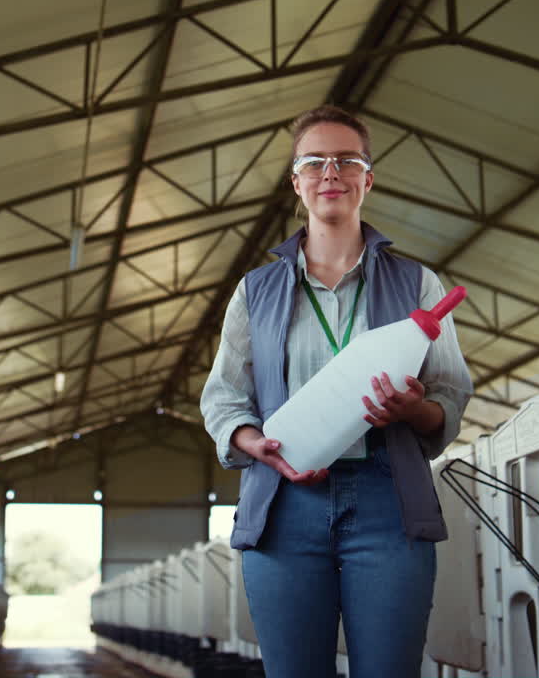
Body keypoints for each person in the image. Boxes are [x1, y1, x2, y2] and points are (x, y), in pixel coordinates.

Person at [200, 105, 473, 678]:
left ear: (367, 179)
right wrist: (255, 443)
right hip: (284, 501)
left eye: (347, 160)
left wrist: (413, 409)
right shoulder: (256, 291)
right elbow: (223, 398)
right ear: (296, 182)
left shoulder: (419, 284)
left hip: (387, 500)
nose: (332, 172)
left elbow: (450, 394)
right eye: (315, 161)